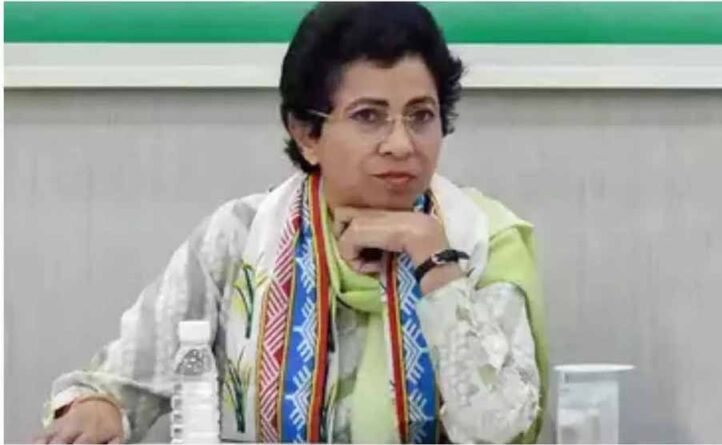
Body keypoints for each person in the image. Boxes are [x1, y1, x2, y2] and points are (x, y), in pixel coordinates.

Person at [35, 2, 548, 443]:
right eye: (369, 116)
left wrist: (434, 261)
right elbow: (117, 383)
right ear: (307, 134)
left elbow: (501, 430)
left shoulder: (482, 239)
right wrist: (99, 408)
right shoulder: (239, 236)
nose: (401, 143)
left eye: (421, 116)